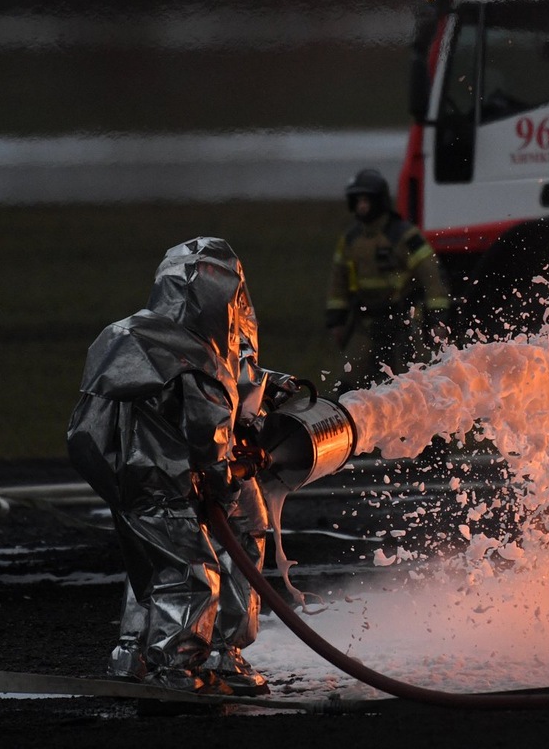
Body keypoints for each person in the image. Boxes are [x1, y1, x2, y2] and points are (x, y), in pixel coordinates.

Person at [66, 237, 297, 696]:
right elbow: (211, 431)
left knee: (154, 564)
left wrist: (266, 382)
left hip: (125, 478)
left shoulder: (123, 336)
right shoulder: (197, 358)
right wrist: (225, 481)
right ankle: (185, 664)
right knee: (192, 570)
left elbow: (84, 427)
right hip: (170, 480)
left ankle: (135, 651)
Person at [325, 168, 452, 390]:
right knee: (347, 383)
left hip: (403, 321)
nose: (362, 206)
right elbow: (339, 280)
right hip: (366, 322)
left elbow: (431, 275)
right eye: (358, 200)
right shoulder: (351, 240)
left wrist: (437, 318)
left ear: (379, 201)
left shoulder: (403, 236)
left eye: (366, 200)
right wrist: (337, 319)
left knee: (412, 381)